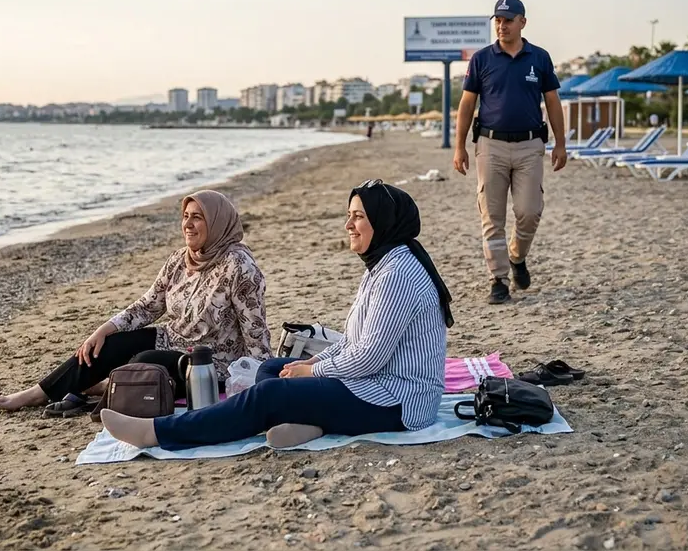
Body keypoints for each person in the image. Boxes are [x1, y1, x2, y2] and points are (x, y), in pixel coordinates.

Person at [99, 180, 452, 450]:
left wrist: (313, 369)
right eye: (349, 215)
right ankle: (311, 423)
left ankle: (158, 433)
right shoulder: (382, 265)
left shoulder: (397, 275)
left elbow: (367, 358)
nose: (348, 224)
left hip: (398, 402)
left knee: (268, 394)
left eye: (358, 216)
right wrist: (305, 368)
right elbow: (353, 344)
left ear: (384, 221)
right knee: (271, 370)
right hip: (371, 385)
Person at [0, 190, 271, 417]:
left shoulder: (240, 267)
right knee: (109, 345)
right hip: (172, 339)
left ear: (218, 222)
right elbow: (148, 305)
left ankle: (106, 387)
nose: (187, 224)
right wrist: (105, 328)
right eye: (185, 216)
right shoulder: (180, 259)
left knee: (144, 362)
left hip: (210, 364)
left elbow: (255, 331)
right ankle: (39, 392)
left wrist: (258, 380)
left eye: (197, 218)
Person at [452, 0, 568, 305]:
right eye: (498, 21)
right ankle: (499, 279)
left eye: (508, 20)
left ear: (522, 22)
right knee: (492, 216)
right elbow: (467, 104)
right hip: (490, 146)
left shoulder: (539, 58)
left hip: (531, 145)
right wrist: (459, 146)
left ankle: (517, 257)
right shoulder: (481, 59)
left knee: (529, 212)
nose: (501, 26)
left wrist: (560, 143)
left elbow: (553, 102)